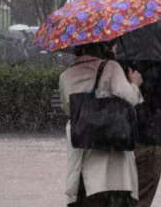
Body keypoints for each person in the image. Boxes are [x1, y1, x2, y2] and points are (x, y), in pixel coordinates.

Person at [60, 41, 144, 207]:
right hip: (113, 173)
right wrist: (134, 83)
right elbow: (131, 98)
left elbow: (68, 110)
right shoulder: (111, 68)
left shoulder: (65, 76)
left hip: (82, 172)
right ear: (101, 46)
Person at [117, 60, 161, 207]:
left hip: (120, 141)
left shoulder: (115, 63)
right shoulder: (155, 61)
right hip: (150, 140)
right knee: (141, 200)